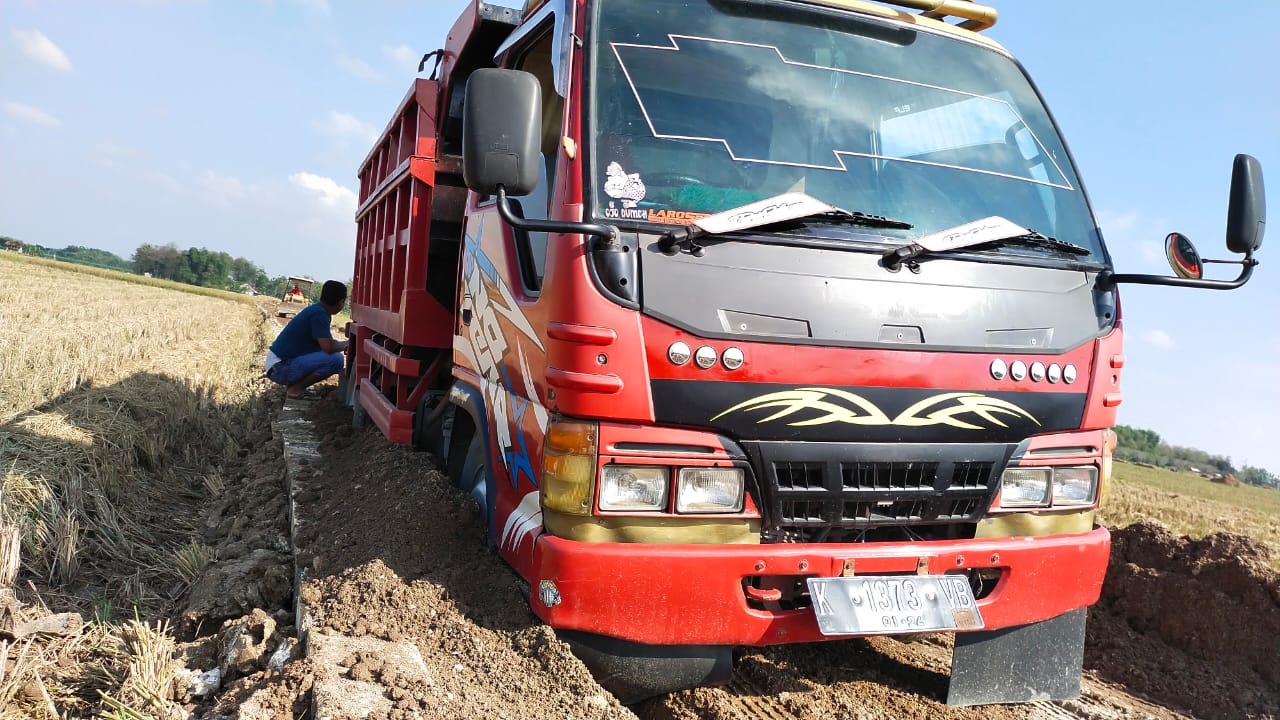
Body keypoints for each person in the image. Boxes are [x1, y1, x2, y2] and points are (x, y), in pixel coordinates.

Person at [265, 280, 349, 398]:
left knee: (326, 355)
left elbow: (325, 344)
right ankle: (295, 389)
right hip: (279, 368)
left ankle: (294, 385)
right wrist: (348, 344)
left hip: (276, 365)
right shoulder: (320, 314)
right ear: (341, 302)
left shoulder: (317, 309)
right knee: (336, 360)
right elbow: (328, 347)